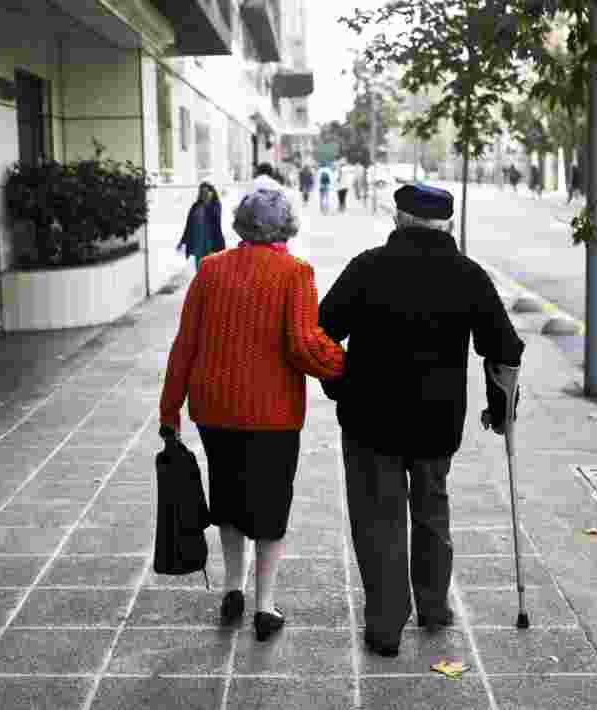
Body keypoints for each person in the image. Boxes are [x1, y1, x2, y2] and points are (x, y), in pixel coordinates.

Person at [317, 183, 525, 657]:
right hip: (438, 422)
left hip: (371, 421)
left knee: (378, 520)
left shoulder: (368, 267)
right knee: (432, 512)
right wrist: (501, 408)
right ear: (446, 224)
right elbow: (505, 349)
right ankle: (433, 608)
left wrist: (340, 386)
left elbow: (321, 332)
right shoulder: (468, 274)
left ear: (399, 219)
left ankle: (386, 626)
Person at [159, 187, 346, 642]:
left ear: (240, 224)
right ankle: (264, 608)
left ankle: (232, 590)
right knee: (270, 505)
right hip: (272, 414)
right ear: (286, 226)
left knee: (227, 498)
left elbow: (186, 343)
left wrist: (170, 410)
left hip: (214, 408)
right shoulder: (294, 272)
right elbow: (304, 346)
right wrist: (343, 368)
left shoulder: (211, 268)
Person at [176, 182, 225, 271]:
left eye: (206, 192)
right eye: (201, 192)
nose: (203, 195)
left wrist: (207, 202)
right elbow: (189, 225)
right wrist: (182, 241)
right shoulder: (195, 206)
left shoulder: (215, 205)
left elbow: (216, 219)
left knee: (211, 270)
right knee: (199, 269)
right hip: (198, 243)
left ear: (212, 193)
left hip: (211, 243)